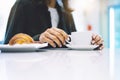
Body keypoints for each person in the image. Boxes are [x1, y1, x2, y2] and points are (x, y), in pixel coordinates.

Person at [4, 0, 104, 49]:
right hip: (31, 72)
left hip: (62, 71)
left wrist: (92, 43)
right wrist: (39, 39)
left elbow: (73, 43)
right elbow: (8, 45)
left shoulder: (66, 13)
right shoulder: (22, 5)